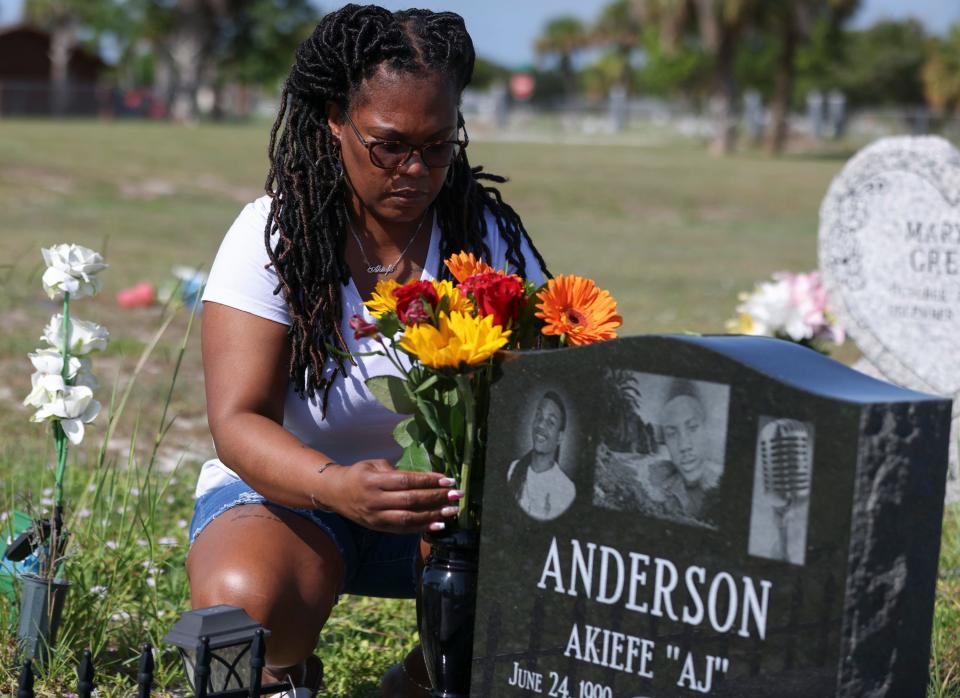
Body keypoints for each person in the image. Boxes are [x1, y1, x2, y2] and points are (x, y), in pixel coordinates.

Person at [185, 5, 549, 697]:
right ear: (333, 118)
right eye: (389, 144)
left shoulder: (486, 236)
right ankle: (275, 675)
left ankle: (424, 682)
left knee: (554, 582)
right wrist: (334, 486)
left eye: (439, 145)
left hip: (443, 513)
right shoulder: (275, 235)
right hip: (291, 496)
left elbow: (547, 389)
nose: (416, 169)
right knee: (239, 610)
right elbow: (236, 422)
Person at [646, 379, 722, 521]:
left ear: (707, 430)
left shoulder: (724, 490)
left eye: (692, 427)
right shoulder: (657, 485)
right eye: (672, 433)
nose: (684, 446)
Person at [507, 391, 575, 521]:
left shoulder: (567, 489)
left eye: (550, 422)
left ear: (560, 437)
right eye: (538, 416)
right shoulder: (513, 469)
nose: (541, 425)